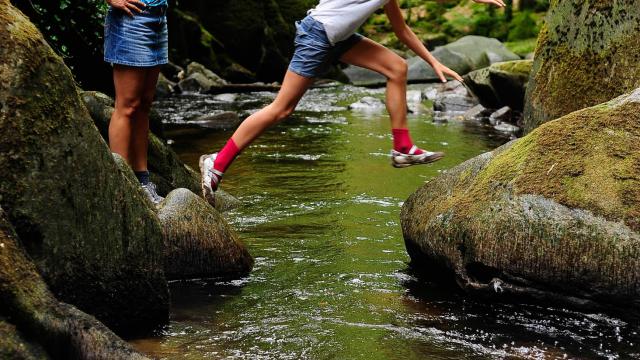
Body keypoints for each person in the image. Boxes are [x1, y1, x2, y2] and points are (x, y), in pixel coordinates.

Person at [200, 0, 505, 199]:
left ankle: (402, 148)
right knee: (282, 109)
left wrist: (432, 61)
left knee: (397, 67)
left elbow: (401, 29)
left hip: (338, 39)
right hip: (316, 34)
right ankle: (218, 162)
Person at [104, 0, 169, 205]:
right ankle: (122, 185)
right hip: (131, 21)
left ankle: (142, 181)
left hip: (159, 19)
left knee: (144, 105)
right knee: (128, 106)